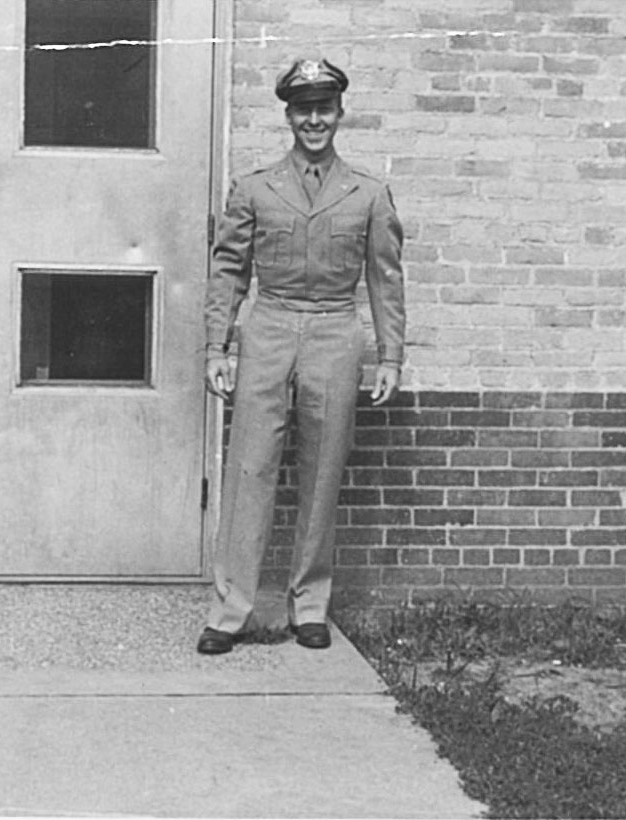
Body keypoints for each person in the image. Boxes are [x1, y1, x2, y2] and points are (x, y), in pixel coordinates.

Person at [196, 58, 405, 656]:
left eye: (324, 108)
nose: (314, 119)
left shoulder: (367, 194)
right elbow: (229, 270)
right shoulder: (256, 188)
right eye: (303, 109)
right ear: (288, 115)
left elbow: (386, 281)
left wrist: (390, 356)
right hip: (269, 328)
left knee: (321, 470)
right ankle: (230, 609)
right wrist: (218, 345)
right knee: (250, 468)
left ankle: (309, 605)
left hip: (336, 332)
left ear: (339, 114)